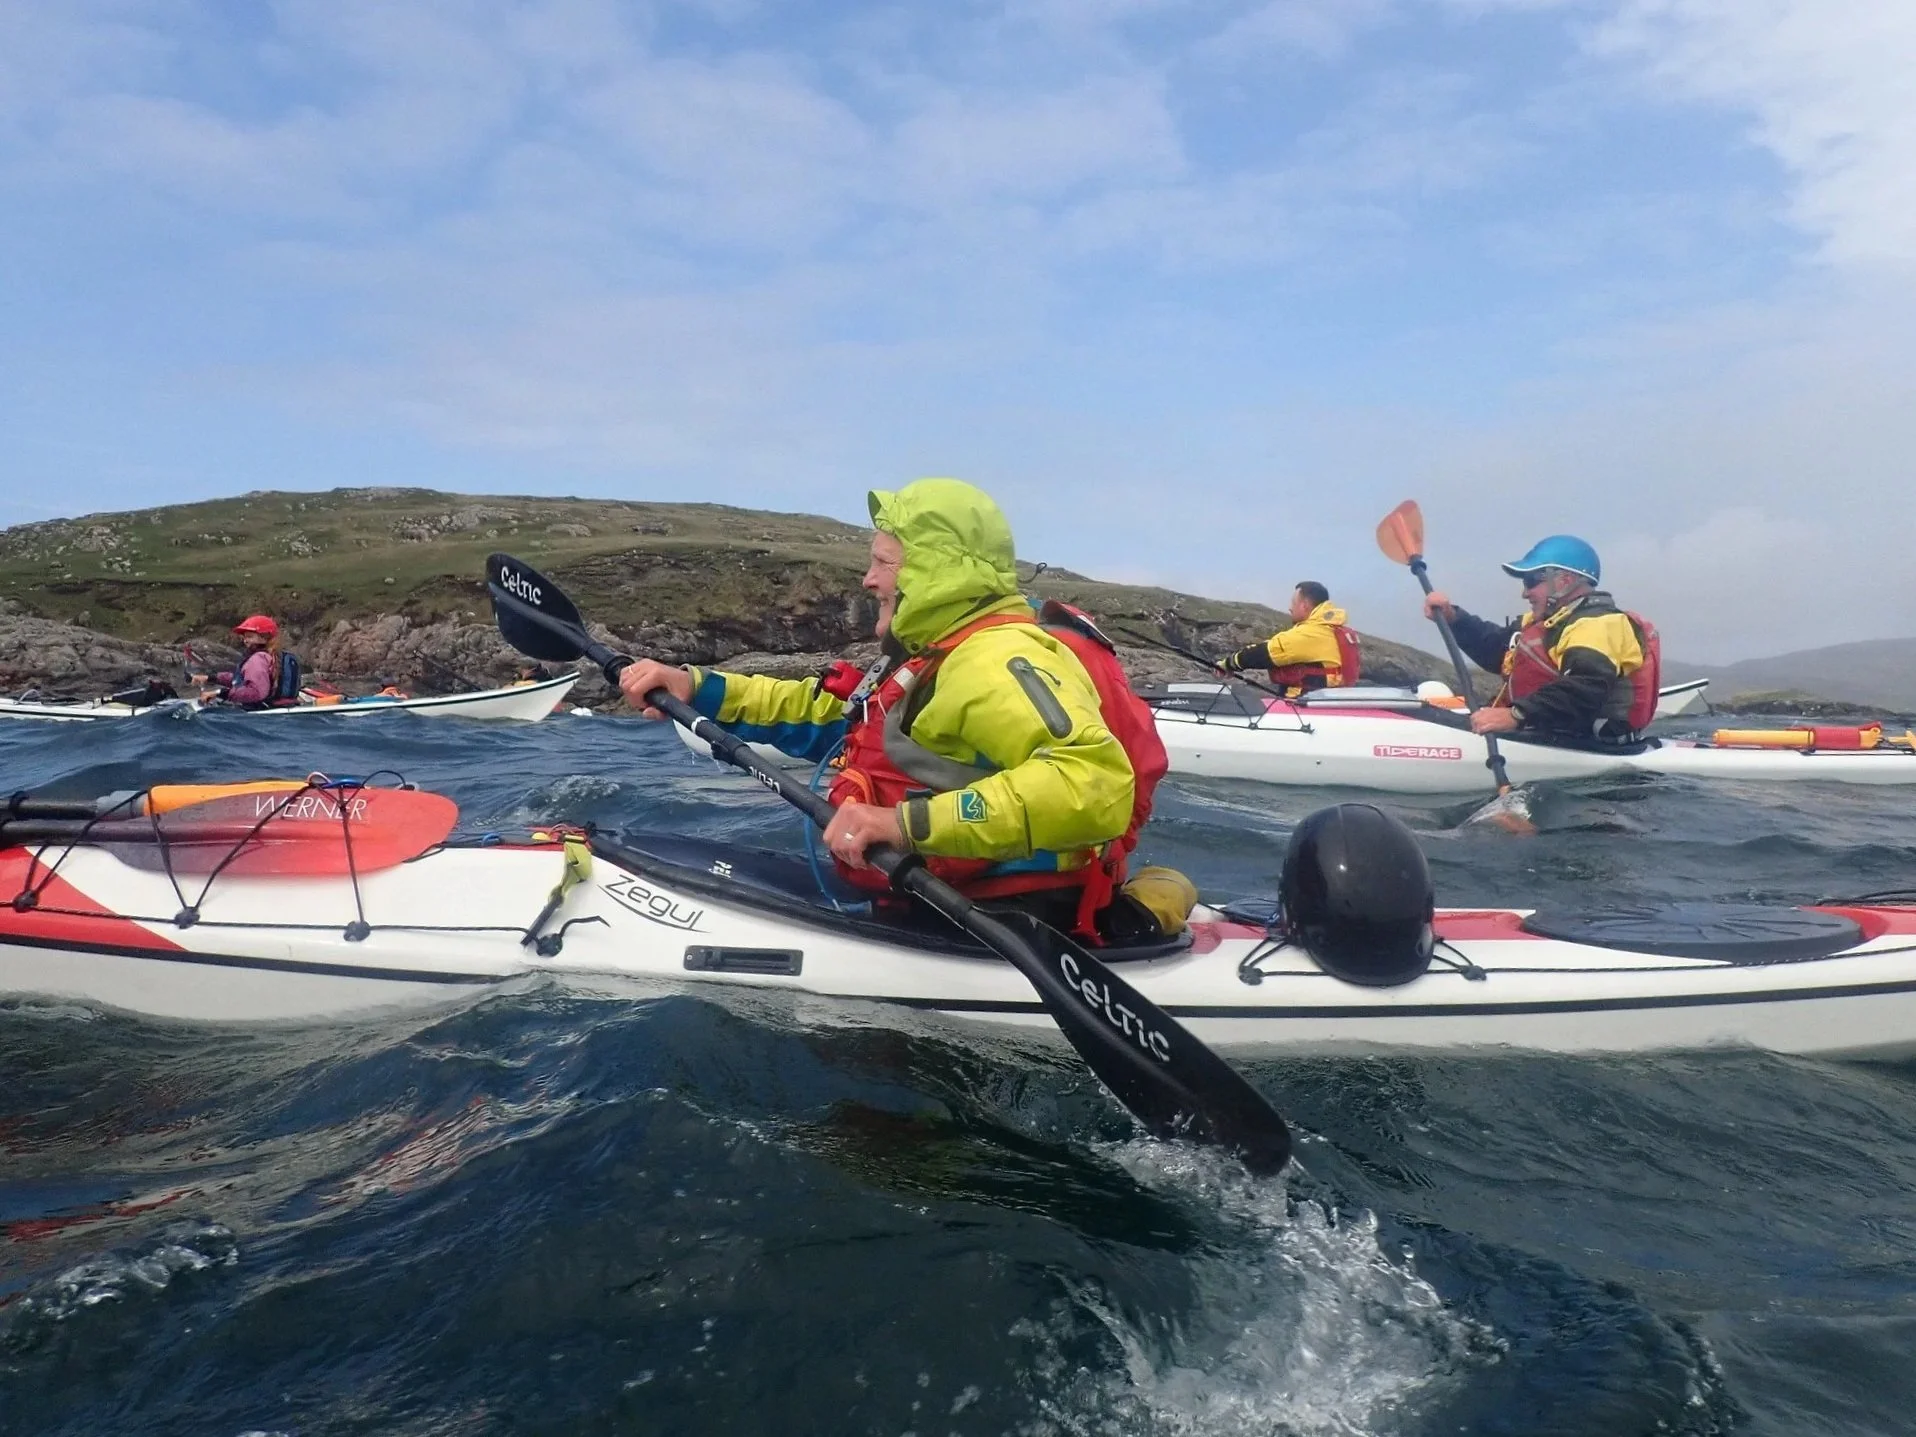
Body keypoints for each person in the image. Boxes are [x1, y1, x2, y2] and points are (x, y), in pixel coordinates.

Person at [615, 478, 1182, 943]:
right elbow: (835, 722)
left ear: (935, 570)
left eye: (883, 562)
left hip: (1007, 917)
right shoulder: (935, 653)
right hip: (922, 896)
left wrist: (900, 825)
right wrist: (697, 687)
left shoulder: (993, 658)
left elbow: (1091, 782)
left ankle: (1144, 905)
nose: (869, 579)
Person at [1423, 535, 1661, 744]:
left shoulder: (1598, 624)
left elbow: (1585, 688)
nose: (1524, 593)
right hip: (1547, 735)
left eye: (1531, 582)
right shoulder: (1545, 623)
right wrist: (1453, 618)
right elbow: (1496, 650)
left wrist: (1515, 715)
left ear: (1564, 581)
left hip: (1591, 756)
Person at [1216, 581, 1362, 696]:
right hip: (1325, 702)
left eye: (1293, 603)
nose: (1290, 608)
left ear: (1304, 606)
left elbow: (1264, 653)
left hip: (1301, 705)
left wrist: (1227, 665)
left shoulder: (1310, 634)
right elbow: (1278, 646)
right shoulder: (1331, 630)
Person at [196, 615, 303, 709]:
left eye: (250, 637)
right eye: (245, 637)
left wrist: (219, 693)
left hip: (261, 713)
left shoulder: (257, 659)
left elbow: (256, 692)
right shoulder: (273, 656)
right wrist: (211, 678)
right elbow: (242, 679)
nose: (245, 640)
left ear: (264, 638)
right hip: (282, 708)